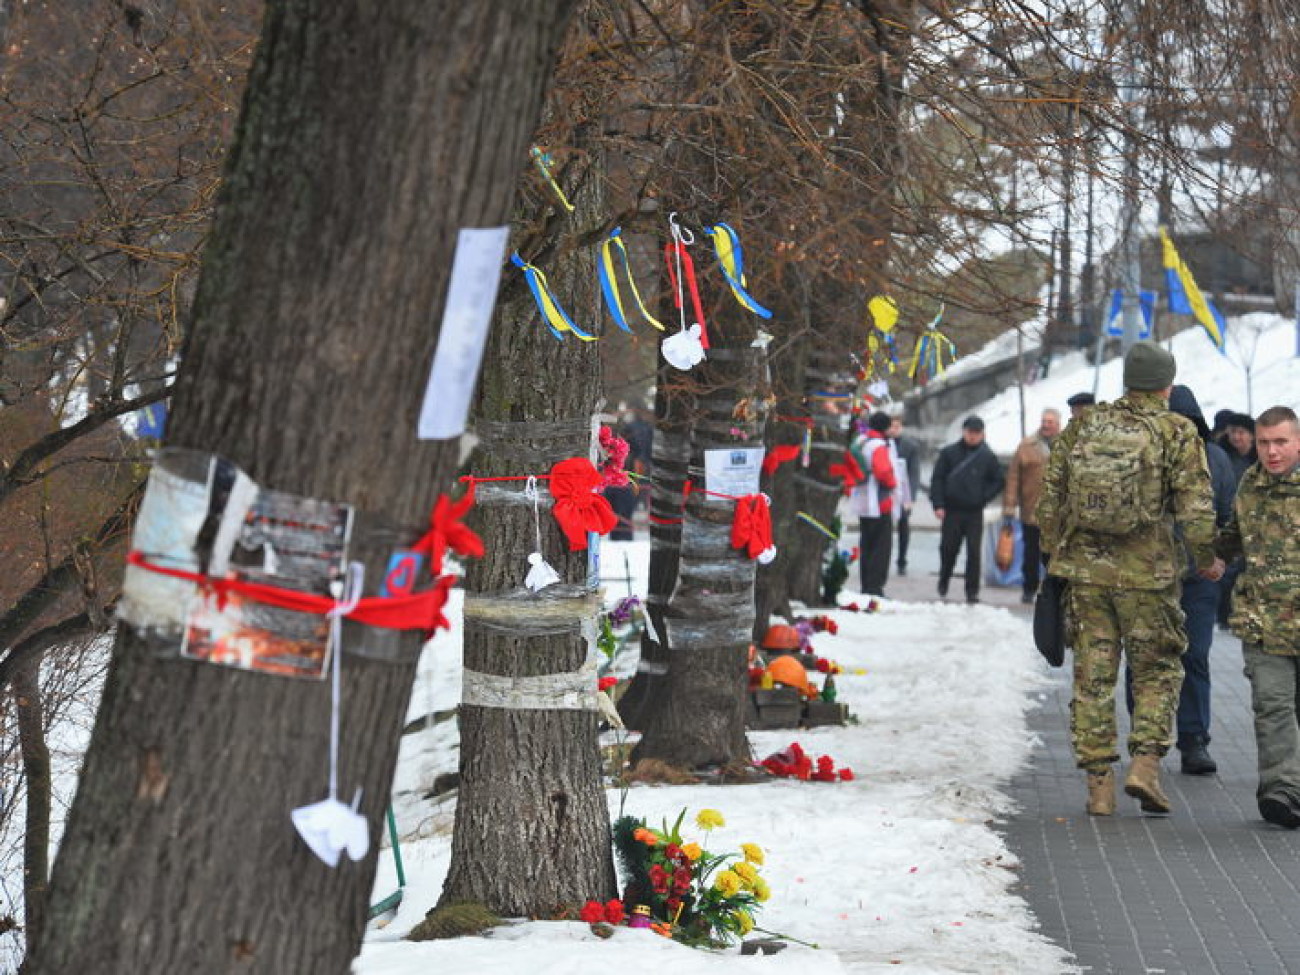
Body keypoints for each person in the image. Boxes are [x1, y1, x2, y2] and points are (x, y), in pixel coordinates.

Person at [1037, 341, 1220, 817]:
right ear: (1167, 385)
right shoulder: (1176, 431)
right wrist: (1207, 558)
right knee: (1158, 670)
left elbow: (1050, 499)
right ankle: (1144, 765)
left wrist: (1054, 554)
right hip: (1148, 578)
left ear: (1126, 381)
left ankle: (1099, 787)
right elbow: (1196, 508)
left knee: (1093, 680)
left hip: (1086, 577)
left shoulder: (1085, 425)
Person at [1216, 406, 1300, 827]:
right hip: (1264, 621)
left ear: (1297, 441)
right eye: (1265, 442)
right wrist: (1211, 556)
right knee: (1272, 706)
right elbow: (1235, 533)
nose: (1271, 451)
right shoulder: (1251, 482)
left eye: (1280, 442)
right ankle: (1281, 792)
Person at [1165, 385, 1238, 775]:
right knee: (1147, 658)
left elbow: (1229, 515)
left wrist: (1222, 559)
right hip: (1153, 579)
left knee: (1195, 656)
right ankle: (1148, 740)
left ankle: (1194, 740)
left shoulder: (1215, 459)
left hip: (1198, 577)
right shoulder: (1149, 456)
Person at [930, 415, 1004, 604]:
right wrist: (938, 504)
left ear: (982, 434)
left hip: (974, 511)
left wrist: (983, 497)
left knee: (974, 552)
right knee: (948, 549)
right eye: (970, 432)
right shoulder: (949, 453)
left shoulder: (987, 456)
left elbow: (998, 480)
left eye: (976, 433)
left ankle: (972, 591)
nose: (972, 436)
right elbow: (937, 479)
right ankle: (944, 579)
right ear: (963, 432)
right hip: (952, 510)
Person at [1002, 408, 1061, 603]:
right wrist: (1009, 506)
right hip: (1031, 511)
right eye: (1044, 421)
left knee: (1054, 556)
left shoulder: (1067, 445)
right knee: (1030, 554)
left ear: (1057, 424)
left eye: (1050, 422)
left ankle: (1053, 592)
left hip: (1058, 514)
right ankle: (1029, 588)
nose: (1046, 424)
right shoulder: (1027, 446)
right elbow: (1013, 477)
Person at [848, 411, 897, 596]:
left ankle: (866, 583)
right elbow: (883, 471)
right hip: (879, 502)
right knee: (880, 546)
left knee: (866, 544)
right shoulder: (879, 445)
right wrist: (893, 484)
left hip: (862, 500)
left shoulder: (862, 440)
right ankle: (874, 587)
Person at [888, 414, 921, 576]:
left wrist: (911, 498)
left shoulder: (910, 446)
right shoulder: (883, 443)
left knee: (903, 526)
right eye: (891, 426)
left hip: (903, 491)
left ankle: (902, 560)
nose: (894, 430)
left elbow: (914, 473)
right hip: (886, 491)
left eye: (897, 426)